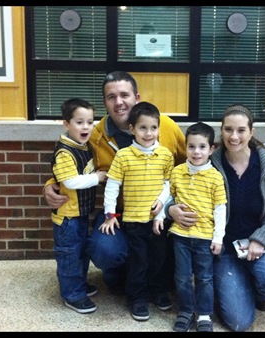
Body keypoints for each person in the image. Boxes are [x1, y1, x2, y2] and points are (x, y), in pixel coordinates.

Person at [43, 71, 186, 299]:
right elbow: (72, 164)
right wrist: (50, 184)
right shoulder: (94, 135)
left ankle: (152, 276)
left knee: (165, 259)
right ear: (105, 103)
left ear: (136, 97)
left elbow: (187, 166)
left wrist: (173, 206)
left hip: (158, 211)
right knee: (105, 250)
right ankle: (121, 271)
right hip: (119, 214)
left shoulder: (164, 125)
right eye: (111, 97)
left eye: (124, 95)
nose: (119, 102)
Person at [166, 104, 265, 332]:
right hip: (224, 248)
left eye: (241, 130)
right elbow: (176, 190)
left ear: (251, 132)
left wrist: (261, 237)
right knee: (239, 322)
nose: (234, 136)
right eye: (228, 130)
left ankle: (256, 286)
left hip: (260, 244)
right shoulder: (208, 162)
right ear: (221, 131)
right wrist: (170, 209)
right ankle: (233, 283)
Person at [99, 101, 174, 321]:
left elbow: (168, 184)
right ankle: (137, 298)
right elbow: (112, 186)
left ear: (159, 128)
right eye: (142, 128)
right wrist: (110, 214)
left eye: (153, 128)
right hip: (133, 220)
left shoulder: (166, 155)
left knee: (160, 258)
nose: (148, 133)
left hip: (158, 220)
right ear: (132, 129)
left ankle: (158, 291)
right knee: (138, 261)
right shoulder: (123, 156)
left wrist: (161, 207)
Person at [163, 122, 227, 332]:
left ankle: (205, 314)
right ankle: (186, 311)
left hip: (205, 237)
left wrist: (218, 238)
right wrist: (162, 214)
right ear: (186, 147)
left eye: (202, 147)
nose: (196, 152)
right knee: (181, 276)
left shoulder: (215, 177)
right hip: (180, 235)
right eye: (191, 146)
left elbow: (220, 209)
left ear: (211, 149)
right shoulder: (178, 171)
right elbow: (168, 197)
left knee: (204, 277)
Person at [50, 98, 107, 314]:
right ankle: (72, 294)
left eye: (90, 122)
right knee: (70, 254)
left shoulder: (83, 146)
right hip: (67, 217)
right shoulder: (65, 151)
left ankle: (78, 285)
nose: (86, 127)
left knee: (81, 252)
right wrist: (98, 177)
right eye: (79, 122)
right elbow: (71, 181)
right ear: (66, 124)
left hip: (81, 213)